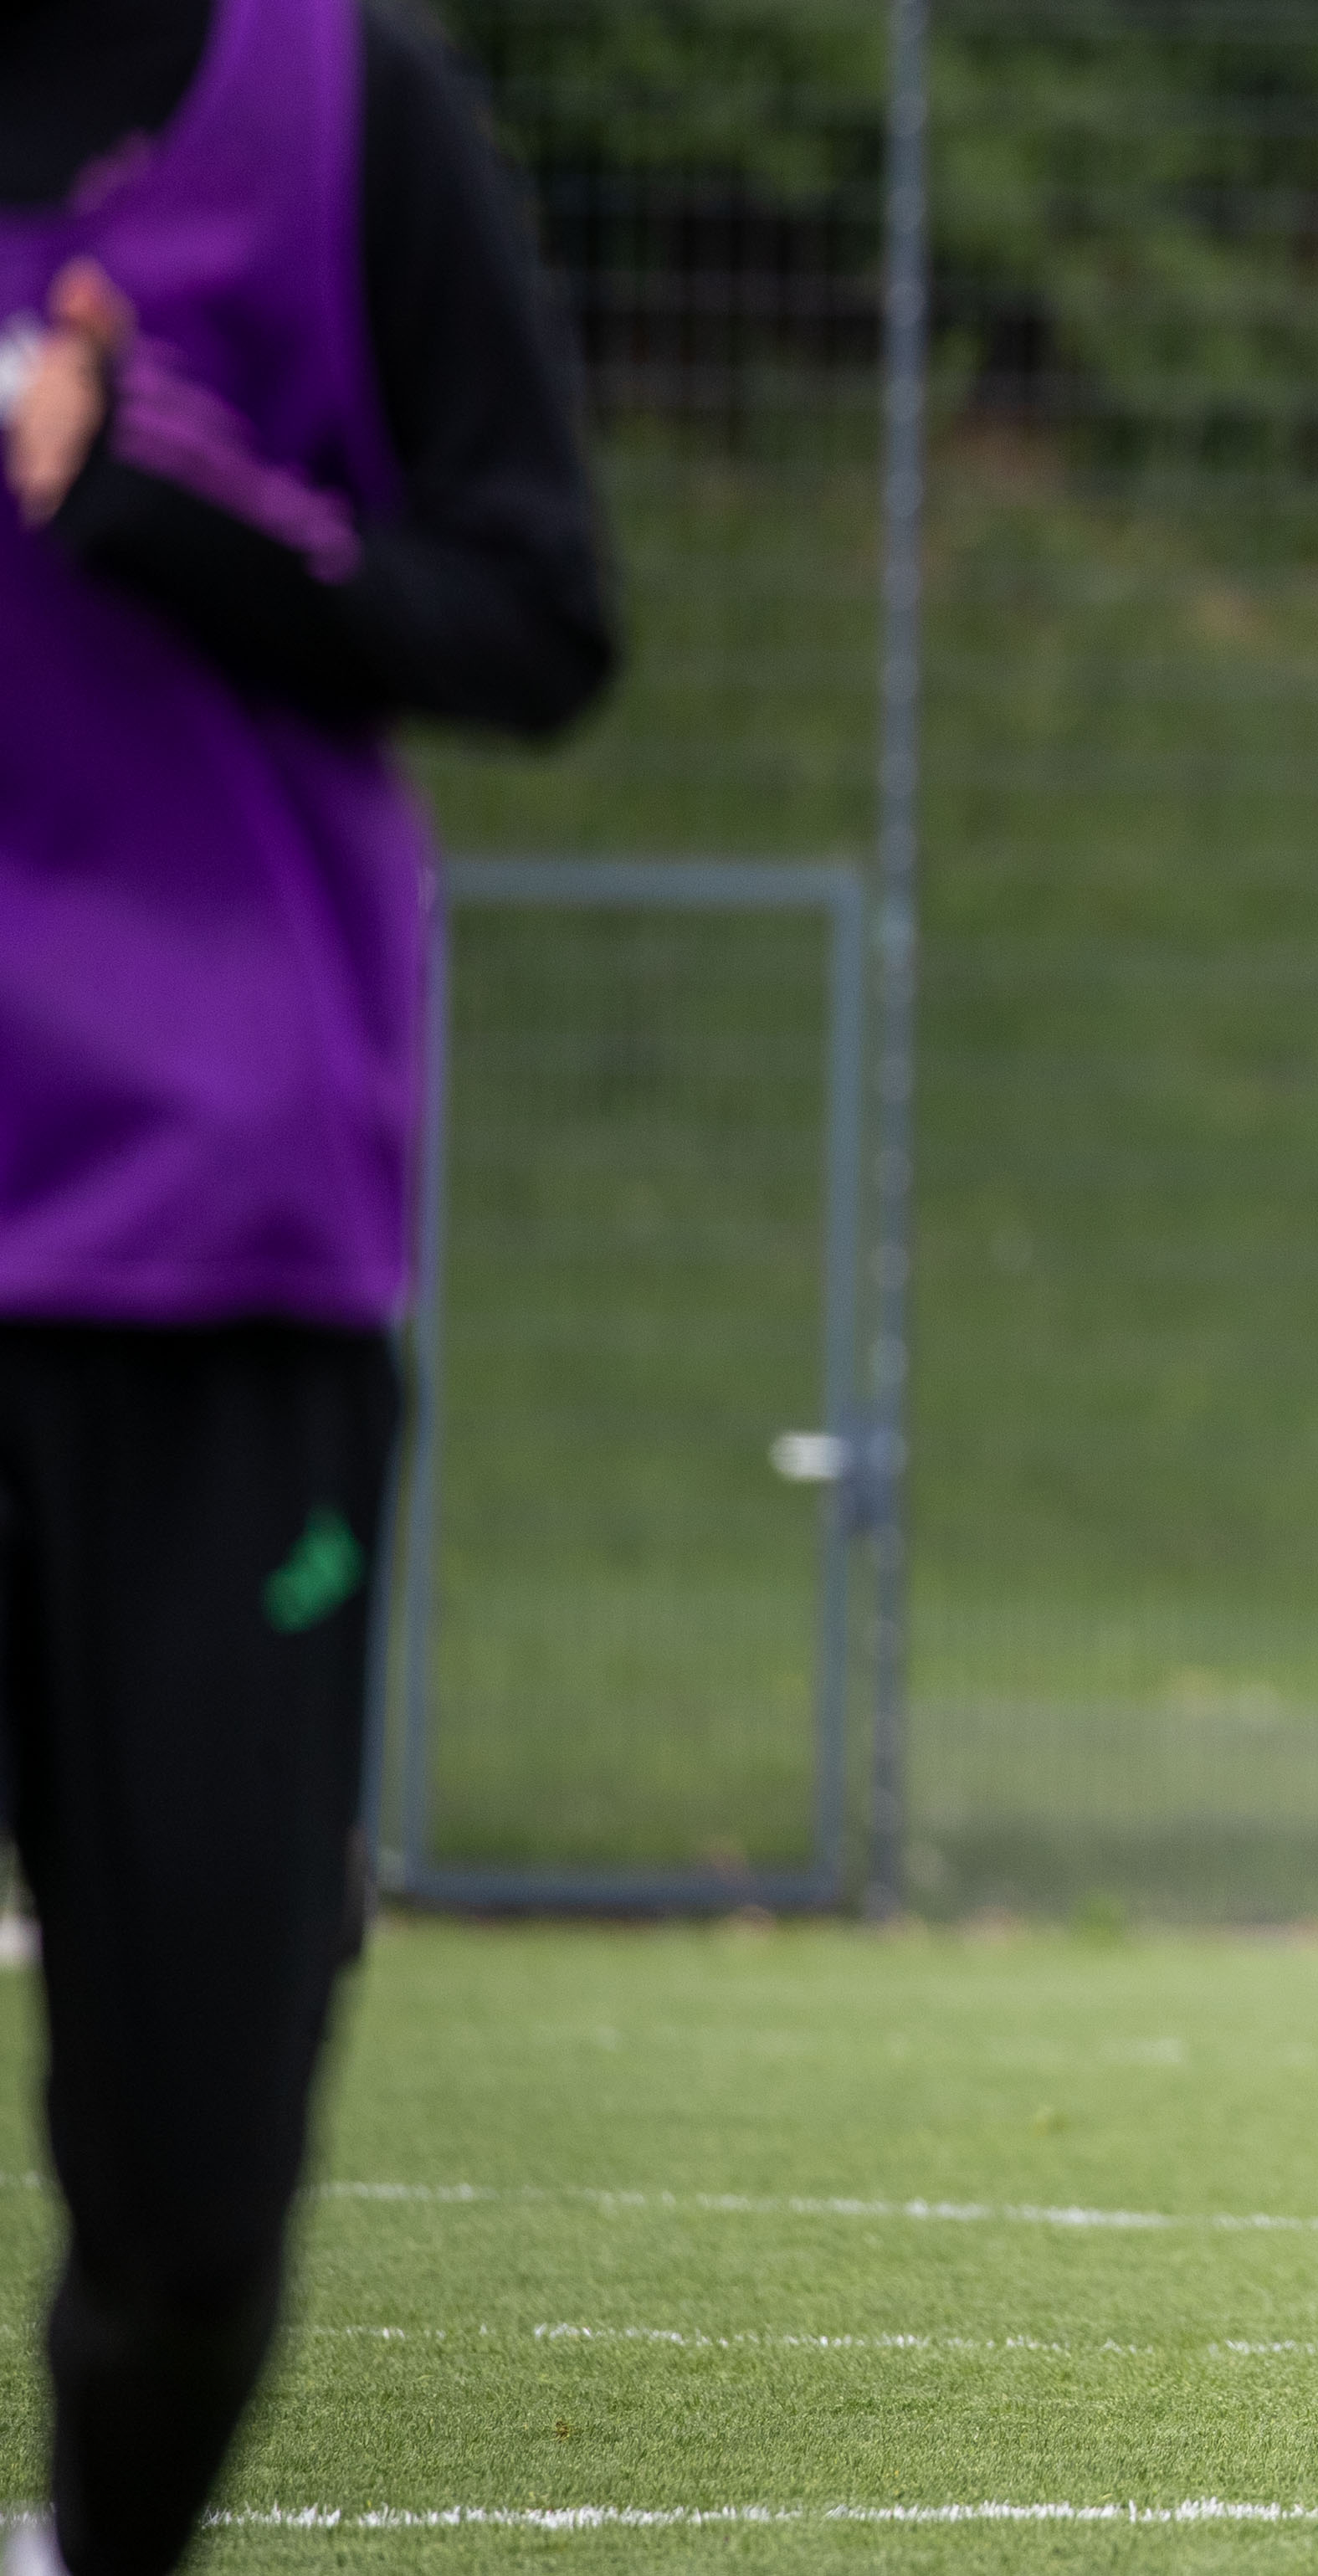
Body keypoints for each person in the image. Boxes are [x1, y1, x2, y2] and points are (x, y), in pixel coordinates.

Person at [0, 0, 613, 2562]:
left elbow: (537, 618)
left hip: (213, 1251)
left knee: (200, 2191)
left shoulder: (347, 112)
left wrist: (164, 485)